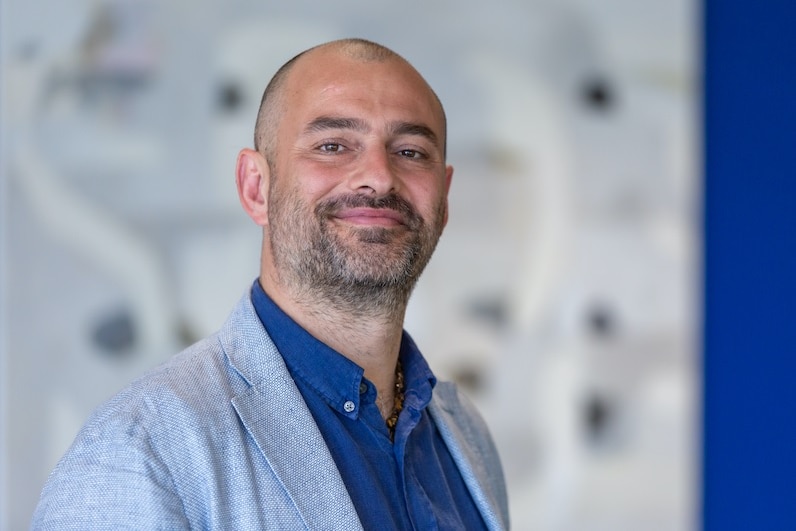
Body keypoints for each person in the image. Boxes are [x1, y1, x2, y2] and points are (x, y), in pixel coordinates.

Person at [32, 38, 509, 530]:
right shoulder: (143, 449)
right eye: (332, 146)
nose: (378, 178)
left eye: (410, 151)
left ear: (444, 200)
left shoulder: (464, 435)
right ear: (255, 187)